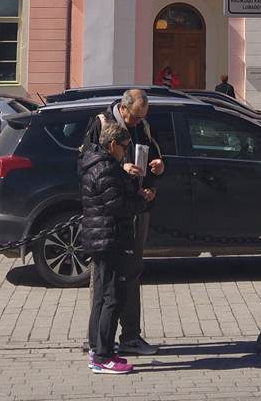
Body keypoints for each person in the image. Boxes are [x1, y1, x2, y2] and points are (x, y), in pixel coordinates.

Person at [87, 89, 165, 355]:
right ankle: (99, 342)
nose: (135, 123)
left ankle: (130, 336)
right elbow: (91, 163)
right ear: (122, 108)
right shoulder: (101, 123)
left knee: (131, 273)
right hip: (113, 211)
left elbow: (154, 154)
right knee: (106, 280)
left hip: (136, 206)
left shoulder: (143, 126)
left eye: (140, 118)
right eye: (133, 117)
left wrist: (158, 168)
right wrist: (121, 169)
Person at [80, 119, 151, 375]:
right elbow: (117, 206)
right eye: (123, 146)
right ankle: (103, 355)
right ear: (112, 145)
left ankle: (96, 347)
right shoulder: (106, 169)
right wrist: (141, 202)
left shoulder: (96, 163)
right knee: (112, 297)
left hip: (98, 237)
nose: (125, 151)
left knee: (101, 296)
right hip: (108, 238)